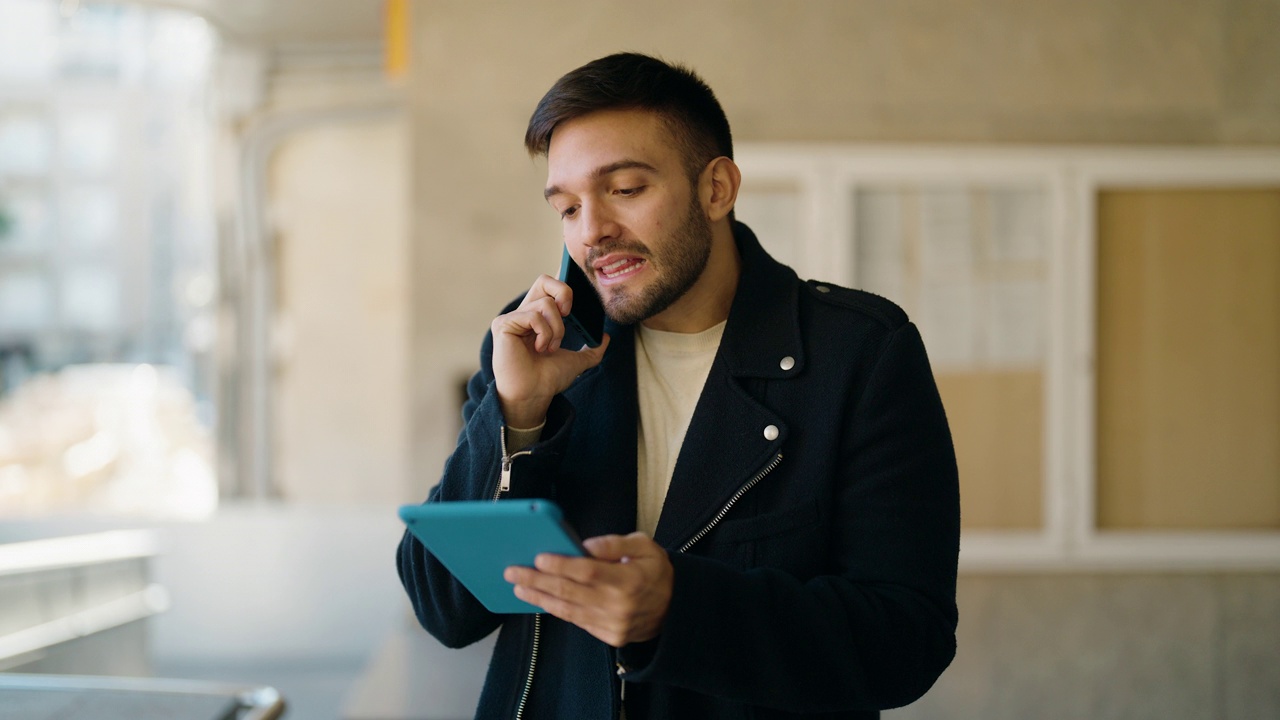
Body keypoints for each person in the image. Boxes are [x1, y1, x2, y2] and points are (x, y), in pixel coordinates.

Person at [398, 52, 959, 720]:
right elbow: (444, 610)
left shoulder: (858, 354)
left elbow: (906, 639)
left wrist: (682, 609)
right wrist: (516, 414)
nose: (592, 231)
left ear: (716, 188)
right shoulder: (536, 344)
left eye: (625, 189)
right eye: (568, 207)